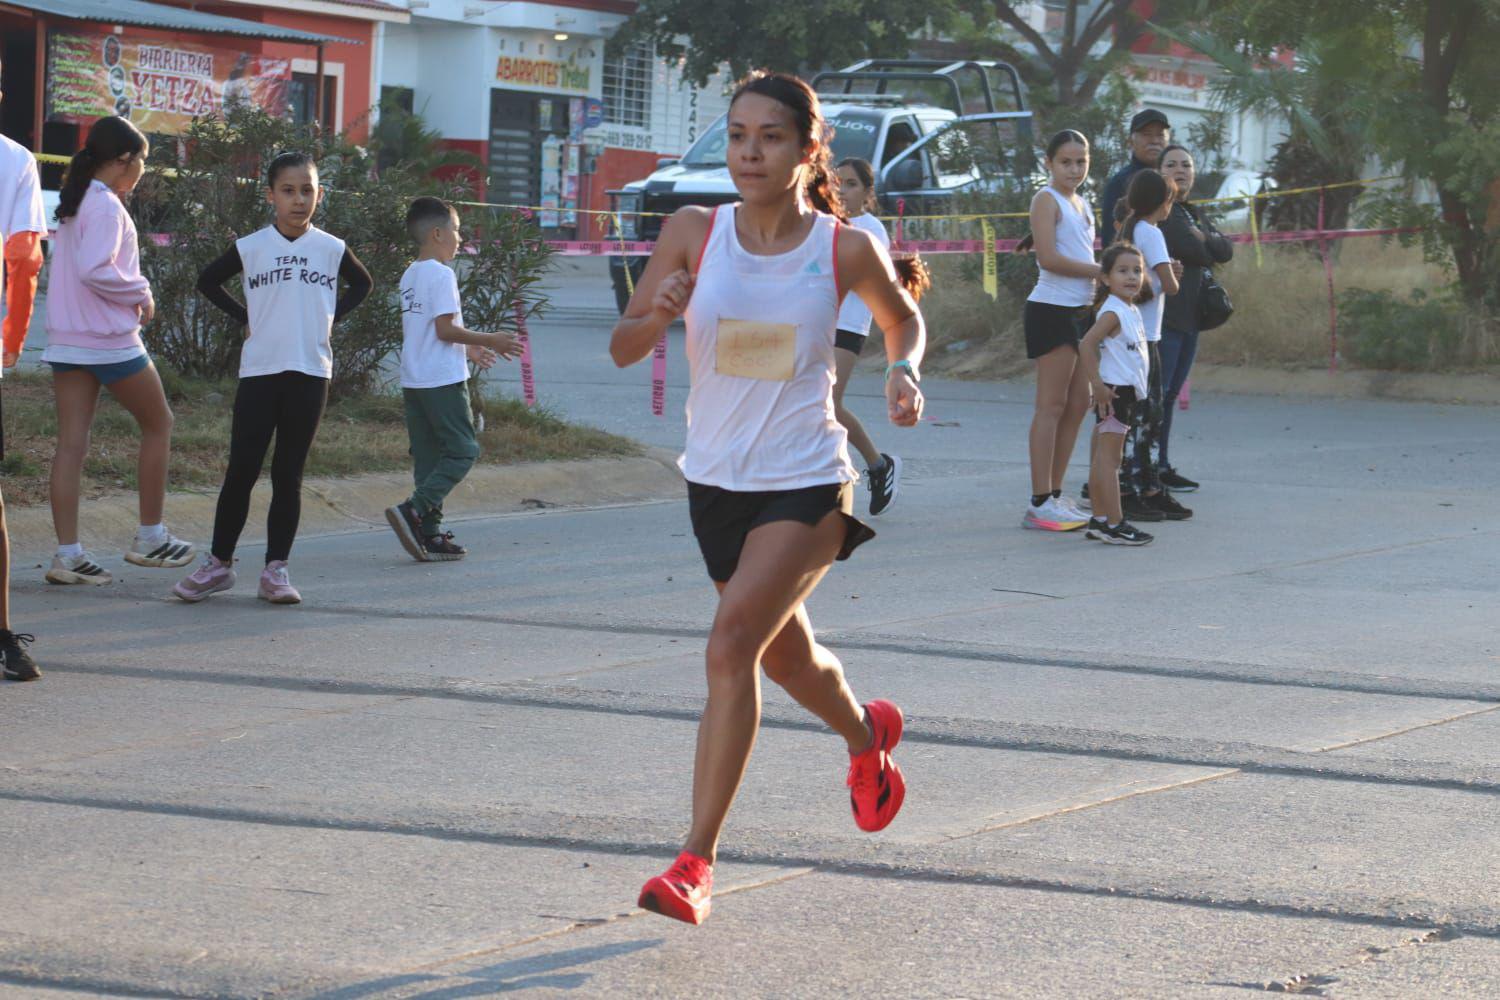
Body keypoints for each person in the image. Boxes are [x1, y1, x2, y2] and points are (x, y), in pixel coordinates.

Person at [608, 70, 925, 926]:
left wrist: (903, 370)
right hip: (715, 483)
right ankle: (868, 738)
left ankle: (694, 864)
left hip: (808, 478)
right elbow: (623, 348)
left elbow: (902, 316)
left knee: (729, 645)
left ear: (805, 149)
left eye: (770, 136)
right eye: (738, 134)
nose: (750, 152)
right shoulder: (690, 232)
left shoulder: (842, 246)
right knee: (788, 660)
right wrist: (658, 311)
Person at [173, 152, 371, 604]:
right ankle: (219, 564)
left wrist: (329, 317)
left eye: (307, 190)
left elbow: (364, 284)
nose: (299, 200)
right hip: (260, 372)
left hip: (309, 374)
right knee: (241, 471)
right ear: (271, 196)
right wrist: (246, 316)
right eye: (288, 190)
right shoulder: (251, 247)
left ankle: (275, 570)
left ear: (319, 195)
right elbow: (207, 281)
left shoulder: (331, 248)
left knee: (288, 475)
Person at [43, 116, 196, 588]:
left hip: (67, 339)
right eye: (144, 162)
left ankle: (69, 555)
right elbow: (95, 270)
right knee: (160, 423)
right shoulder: (106, 205)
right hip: (107, 341)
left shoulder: (76, 200)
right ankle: (150, 536)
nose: (144, 172)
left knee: (72, 445)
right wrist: (140, 290)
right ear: (125, 160)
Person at [385, 196, 519, 561]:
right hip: (442, 381)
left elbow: (431, 332)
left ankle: (429, 534)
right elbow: (446, 329)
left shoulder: (410, 275)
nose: (461, 239)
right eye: (458, 231)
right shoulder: (442, 274)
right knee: (463, 450)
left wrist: (469, 349)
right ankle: (414, 509)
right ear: (438, 233)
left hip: (415, 380)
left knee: (429, 459)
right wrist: (489, 339)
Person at [1022, 129, 1097, 532]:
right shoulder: (1045, 199)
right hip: (1052, 309)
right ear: (1048, 163)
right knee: (1050, 406)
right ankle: (1038, 501)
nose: (1074, 169)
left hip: (1082, 312)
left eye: (1081, 161)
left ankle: (1054, 493)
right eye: (1066, 161)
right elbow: (1049, 258)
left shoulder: (1083, 203)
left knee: (1078, 404)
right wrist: (1102, 271)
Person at [0, 64, 45, 680]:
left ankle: (5, 633)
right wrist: (9, 343)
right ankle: (4, 636)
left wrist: (8, 342)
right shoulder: (15, 162)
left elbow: (23, 257)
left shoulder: (15, 162)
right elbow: (25, 260)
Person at [1156, 144, 1233, 492]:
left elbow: (1225, 249)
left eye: (1186, 164)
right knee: (1157, 394)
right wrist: (1206, 243)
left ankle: (1162, 463)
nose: (1180, 170)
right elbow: (1195, 249)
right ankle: (1148, 465)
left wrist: (1207, 240)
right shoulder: (1164, 214)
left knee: (1170, 395)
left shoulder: (1192, 212)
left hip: (1192, 318)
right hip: (1166, 318)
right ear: (1159, 173)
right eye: (1171, 164)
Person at [832, 157, 904, 516]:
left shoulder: (869, 228)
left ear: (867, 192)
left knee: (828, 402)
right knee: (806, 404)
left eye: (850, 184)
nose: (841, 190)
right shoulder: (822, 222)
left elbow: (869, 279)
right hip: (815, 322)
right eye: (837, 182)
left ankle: (877, 466)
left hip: (848, 324)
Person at [1116, 169, 1190, 522]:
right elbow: (1169, 285)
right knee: (1149, 414)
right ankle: (1140, 485)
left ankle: (1139, 483)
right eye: (1169, 201)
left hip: (1130, 332)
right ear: (1161, 203)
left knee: (1134, 413)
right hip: (1148, 334)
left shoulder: (1129, 229)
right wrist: (1174, 271)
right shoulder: (1153, 233)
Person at [1078, 244, 1154, 546]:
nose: (1132, 276)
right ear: (1106, 278)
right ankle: (1115, 523)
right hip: (1114, 393)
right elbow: (1086, 344)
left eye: (1137, 270)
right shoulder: (1113, 311)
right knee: (1110, 461)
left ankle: (1099, 520)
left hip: (1124, 392)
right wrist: (1095, 384)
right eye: (1123, 271)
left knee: (1102, 459)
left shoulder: (1129, 308)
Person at [1101, 109, 1171, 246]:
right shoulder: (1120, 182)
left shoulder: (1173, 178)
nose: (1155, 141)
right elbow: (1110, 238)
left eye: (1160, 135)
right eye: (1147, 134)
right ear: (1131, 142)